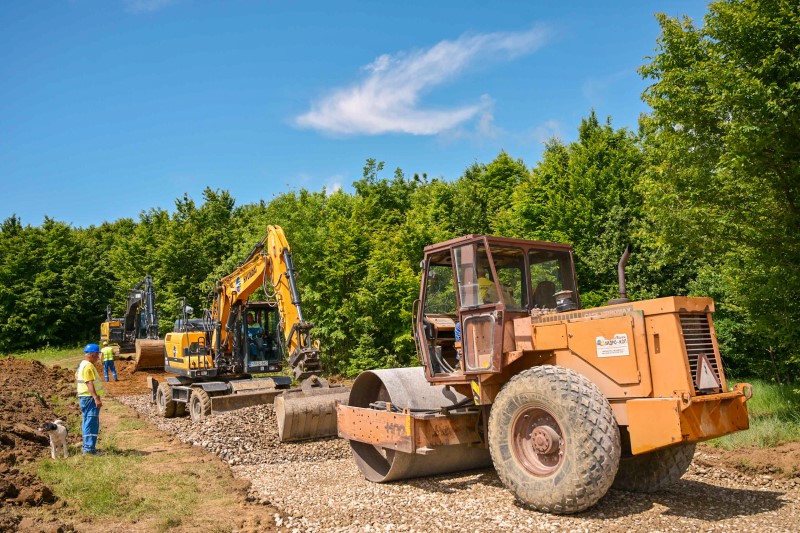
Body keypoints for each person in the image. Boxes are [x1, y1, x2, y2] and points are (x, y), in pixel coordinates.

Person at [76, 344, 104, 455]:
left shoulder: (82, 364)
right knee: (91, 422)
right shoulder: (88, 366)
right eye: (97, 354)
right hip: (89, 398)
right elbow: (89, 382)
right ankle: (89, 449)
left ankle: (87, 447)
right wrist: (96, 398)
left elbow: (76, 376)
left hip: (85, 397)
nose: (98, 357)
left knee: (87, 421)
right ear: (92, 354)